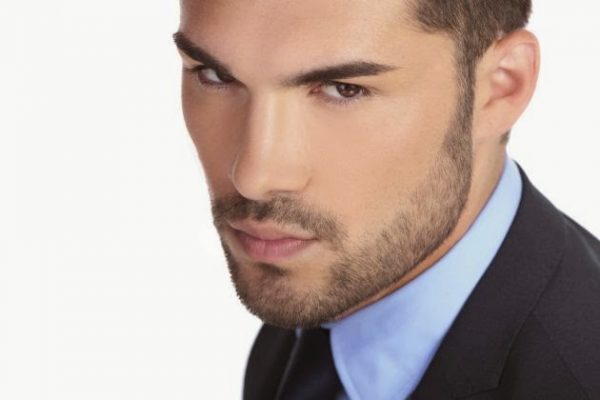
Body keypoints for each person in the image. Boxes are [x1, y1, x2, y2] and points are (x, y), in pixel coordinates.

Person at [173, 0, 600, 399]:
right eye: (215, 76)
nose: (254, 178)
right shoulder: (341, 282)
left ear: (500, 88)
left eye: (343, 89)